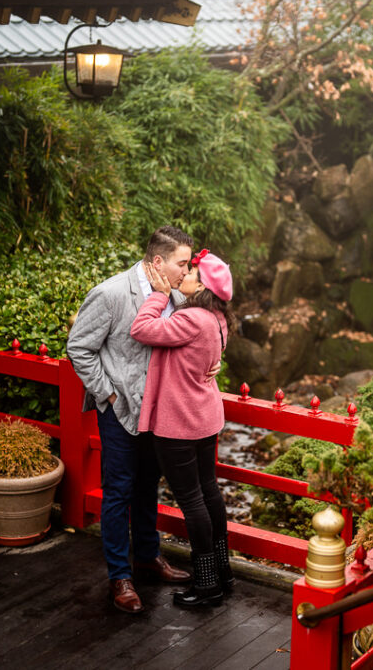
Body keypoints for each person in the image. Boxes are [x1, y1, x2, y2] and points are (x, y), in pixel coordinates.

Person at [67, 226, 207, 614]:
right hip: (121, 411)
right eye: (183, 263)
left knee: (149, 485)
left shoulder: (178, 296)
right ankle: (120, 576)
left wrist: (207, 366)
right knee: (118, 491)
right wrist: (107, 395)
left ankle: (148, 555)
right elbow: (79, 348)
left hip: (161, 412)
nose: (187, 270)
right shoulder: (111, 294)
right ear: (158, 261)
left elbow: (192, 338)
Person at [130, 248, 234, 608]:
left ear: (203, 286)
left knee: (191, 501)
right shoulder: (218, 318)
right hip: (205, 417)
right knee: (209, 492)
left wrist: (159, 296)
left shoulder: (193, 319)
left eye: (191, 272)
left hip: (179, 423)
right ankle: (222, 570)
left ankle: (206, 585)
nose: (185, 275)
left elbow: (141, 329)